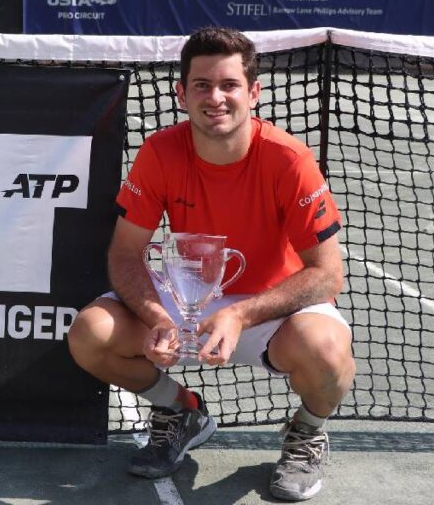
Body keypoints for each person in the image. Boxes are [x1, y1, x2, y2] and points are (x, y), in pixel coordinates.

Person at [68, 27, 355, 501]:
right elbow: (124, 252)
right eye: (201, 85)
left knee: (327, 354)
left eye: (229, 85)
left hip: (270, 312)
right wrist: (158, 317)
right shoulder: (160, 151)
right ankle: (181, 412)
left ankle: (307, 432)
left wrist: (241, 313)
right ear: (181, 94)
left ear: (254, 92)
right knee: (90, 335)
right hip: (186, 304)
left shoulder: (290, 160)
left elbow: (327, 273)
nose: (215, 97)